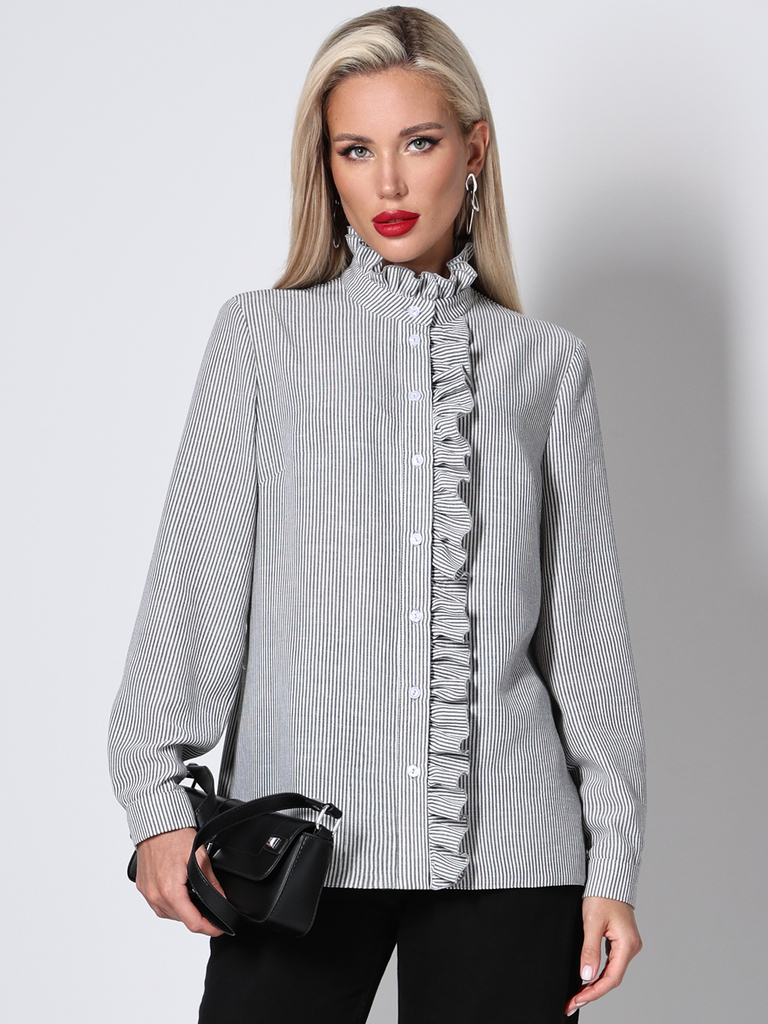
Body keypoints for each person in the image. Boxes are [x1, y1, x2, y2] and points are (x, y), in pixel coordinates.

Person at [108, 6, 647, 1022]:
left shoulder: (545, 365)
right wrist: (155, 801)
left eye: (420, 143)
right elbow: (193, 586)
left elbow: (585, 646)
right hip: (299, 850)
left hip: (513, 856)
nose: (388, 183)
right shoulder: (262, 339)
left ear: (474, 150)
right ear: (326, 165)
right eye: (356, 149)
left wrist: (612, 862)